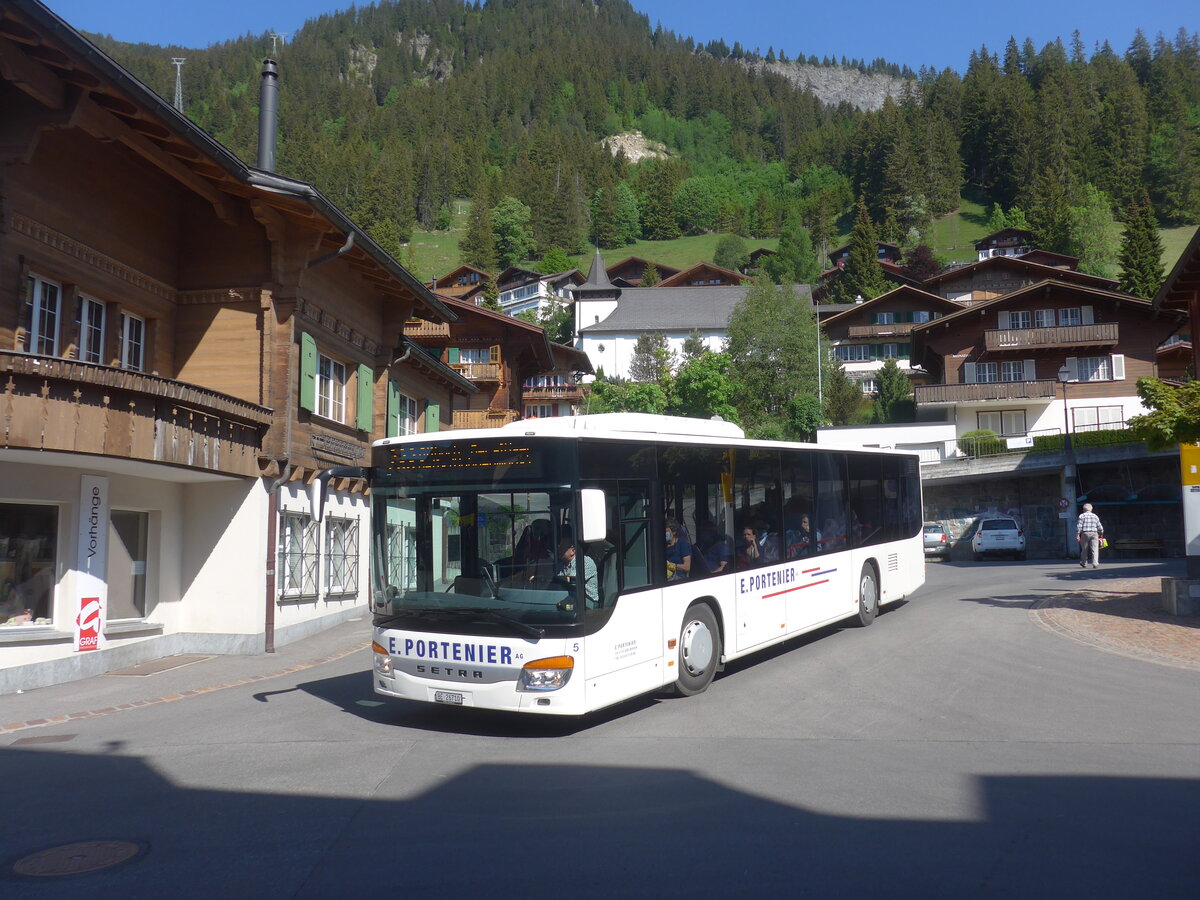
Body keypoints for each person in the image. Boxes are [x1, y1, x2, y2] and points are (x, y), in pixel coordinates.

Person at [556, 536, 598, 606]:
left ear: (573, 550)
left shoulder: (584, 561)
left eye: (562, 547)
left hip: (588, 604)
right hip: (569, 600)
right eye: (559, 546)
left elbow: (572, 581)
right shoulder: (560, 565)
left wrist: (557, 579)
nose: (559, 549)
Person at [1076, 503, 1105, 568]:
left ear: (1084, 509)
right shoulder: (1095, 516)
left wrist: (1078, 534)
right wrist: (1101, 533)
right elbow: (1099, 526)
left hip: (1085, 533)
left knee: (1084, 549)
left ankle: (1084, 563)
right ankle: (1095, 563)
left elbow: (1079, 526)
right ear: (1091, 509)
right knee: (1095, 549)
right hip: (1094, 533)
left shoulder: (1081, 516)